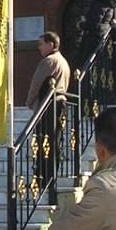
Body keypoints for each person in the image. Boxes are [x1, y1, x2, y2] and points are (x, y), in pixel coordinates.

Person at [24, 32, 71, 189]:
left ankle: (43, 178)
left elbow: (36, 83)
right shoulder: (63, 61)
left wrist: (29, 101)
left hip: (48, 106)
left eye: (41, 44)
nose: (39, 48)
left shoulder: (49, 61)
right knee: (53, 141)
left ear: (51, 44)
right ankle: (51, 177)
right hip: (60, 105)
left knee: (44, 142)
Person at [76, 0, 116, 73]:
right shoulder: (103, 2)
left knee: (90, 68)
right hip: (98, 38)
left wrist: (82, 24)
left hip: (94, 40)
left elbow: (94, 22)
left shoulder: (99, 3)